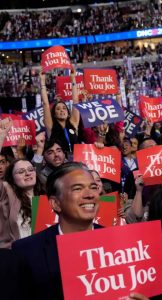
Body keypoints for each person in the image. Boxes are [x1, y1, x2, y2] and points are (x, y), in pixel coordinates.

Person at [11, 162, 103, 300]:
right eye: (78, 189)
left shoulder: (120, 243)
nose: (90, 195)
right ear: (56, 203)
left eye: (93, 187)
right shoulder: (26, 252)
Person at [0, 159, 45, 248]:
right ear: (12, 178)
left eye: (31, 169)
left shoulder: (48, 196)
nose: (28, 173)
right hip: (17, 255)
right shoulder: (7, 195)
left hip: (43, 253)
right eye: (21, 172)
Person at [40, 70, 81, 155]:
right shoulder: (51, 127)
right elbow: (45, 104)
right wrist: (42, 81)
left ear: (68, 112)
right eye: (58, 109)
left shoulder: (73, 123)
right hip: (60, 164)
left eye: (64, 108)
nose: (62, 110)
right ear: (54, 114)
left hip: (76, 161)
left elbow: (76, 101)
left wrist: (73, 79)